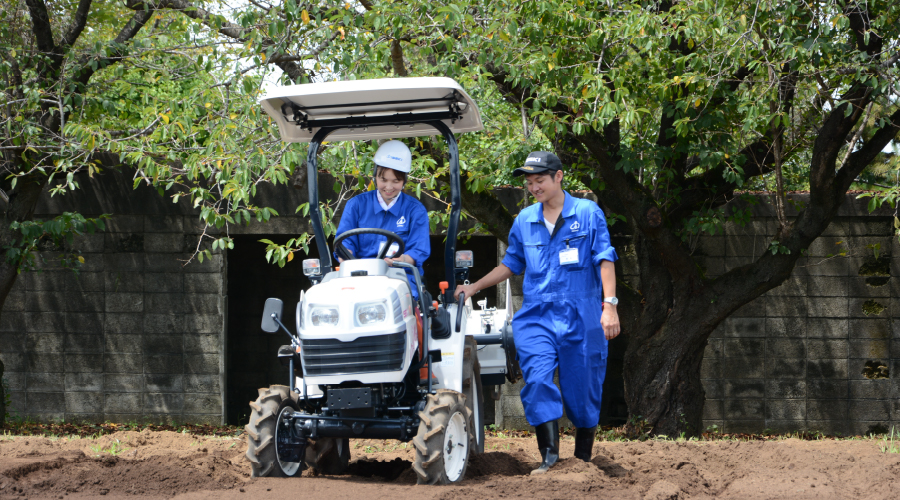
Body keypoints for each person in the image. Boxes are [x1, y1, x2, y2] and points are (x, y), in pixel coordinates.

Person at [454, 151, 620, 474]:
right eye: (529, 182)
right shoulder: (524, 221)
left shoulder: (588, 213)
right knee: (538, 380)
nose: (534, 187)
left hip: (581, 315)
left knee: (583, 391)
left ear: (558, 177)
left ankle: (583, 459)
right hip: (537, 317)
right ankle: (550, 457)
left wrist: (609, 306)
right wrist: (473, 287)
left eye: (539, 180)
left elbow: (605, 258)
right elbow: (510, 265)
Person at [334, 140, 430, 299]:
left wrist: (398, 261)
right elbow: (345, 244)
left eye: (396, 181)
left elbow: (418, 250)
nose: (389, 187)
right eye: (383, 180)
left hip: (399, 276)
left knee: (403, 299)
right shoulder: (356, 205)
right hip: (360, 276)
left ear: (404, 180)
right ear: (375, 177)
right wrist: (347, 261)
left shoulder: (415, 210)